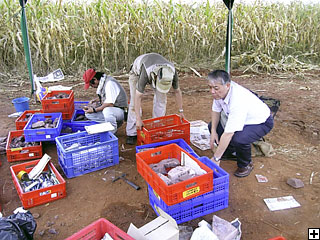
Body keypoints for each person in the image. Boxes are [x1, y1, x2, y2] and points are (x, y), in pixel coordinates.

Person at [207, 70, 274, 177]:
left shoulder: (237, 100)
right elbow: (216, 110)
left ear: (227, 85)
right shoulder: (220, 93)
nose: (212, 91)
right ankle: (230, 152)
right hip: (244, 119)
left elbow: (229, 133)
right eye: (210, 87)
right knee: (213, 126)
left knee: (239, 138)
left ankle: (246, 164)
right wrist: (213, 131)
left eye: (216, 88)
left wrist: (216, 159)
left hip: (261, 122)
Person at [126, 53, 184, 145]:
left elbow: (177, 91)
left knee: (161, 100)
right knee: (133, 102)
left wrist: (181, 111)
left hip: (157, 71)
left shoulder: (172, 72)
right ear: (156, 77)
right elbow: (138, 96)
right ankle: (131, 132)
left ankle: (156, 129)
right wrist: (138, 119)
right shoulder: (145, 71)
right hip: (137, 72)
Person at [82, 68, 128, 134]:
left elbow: (110, 104)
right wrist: (95, 101)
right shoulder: (103, 83)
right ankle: (112, 123)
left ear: (95, 79)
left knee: (107, 111)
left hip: (122, 110)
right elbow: (107, 97)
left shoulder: (109, 83)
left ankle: (112, 131)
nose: (92, 86)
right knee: (89, 114)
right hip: (114, 110)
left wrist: (95, 110)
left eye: (91, 84)